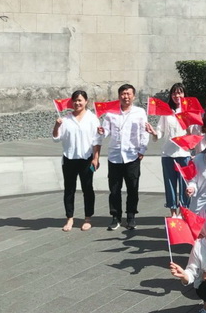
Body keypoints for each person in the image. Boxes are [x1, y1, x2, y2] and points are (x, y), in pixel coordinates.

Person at [99, 84, 149, 231]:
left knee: (133, 188)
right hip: (115, 156)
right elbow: (106, 130)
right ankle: (115, 217)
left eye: (128, 94)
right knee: (114, 189)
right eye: (123, 94)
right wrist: (102, 131)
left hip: (132, 155)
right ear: (119, 96)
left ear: (133, 96)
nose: (125, 97)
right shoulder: (111, 112)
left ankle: (131, 216)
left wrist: (142, 149)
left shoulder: (139, 112)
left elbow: (144, 132)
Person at [52, 90, 101, 232]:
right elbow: (56, 138)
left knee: (88, 189)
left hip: (86, 159)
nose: (77, 103)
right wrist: (56, 126)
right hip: (69, 159)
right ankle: (70, 218)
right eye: (75, 100)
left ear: (86, 101)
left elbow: (97, 140)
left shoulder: (92, 118)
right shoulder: (66, 119)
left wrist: (96, 158)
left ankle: (88, 218)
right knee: (69, 189)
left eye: (80, 100)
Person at [146, 83, 193, 214]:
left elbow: (193, 133)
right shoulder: (167, 112)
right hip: (168, 153)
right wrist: (154, 133)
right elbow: (160, 131)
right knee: (170, 184)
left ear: (184, 94)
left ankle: (184, 211)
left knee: (185, 184)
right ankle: (173, 212)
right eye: (174, 93)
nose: (177, 96)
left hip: (184, 154)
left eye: (180, 93)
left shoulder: (189, 111)